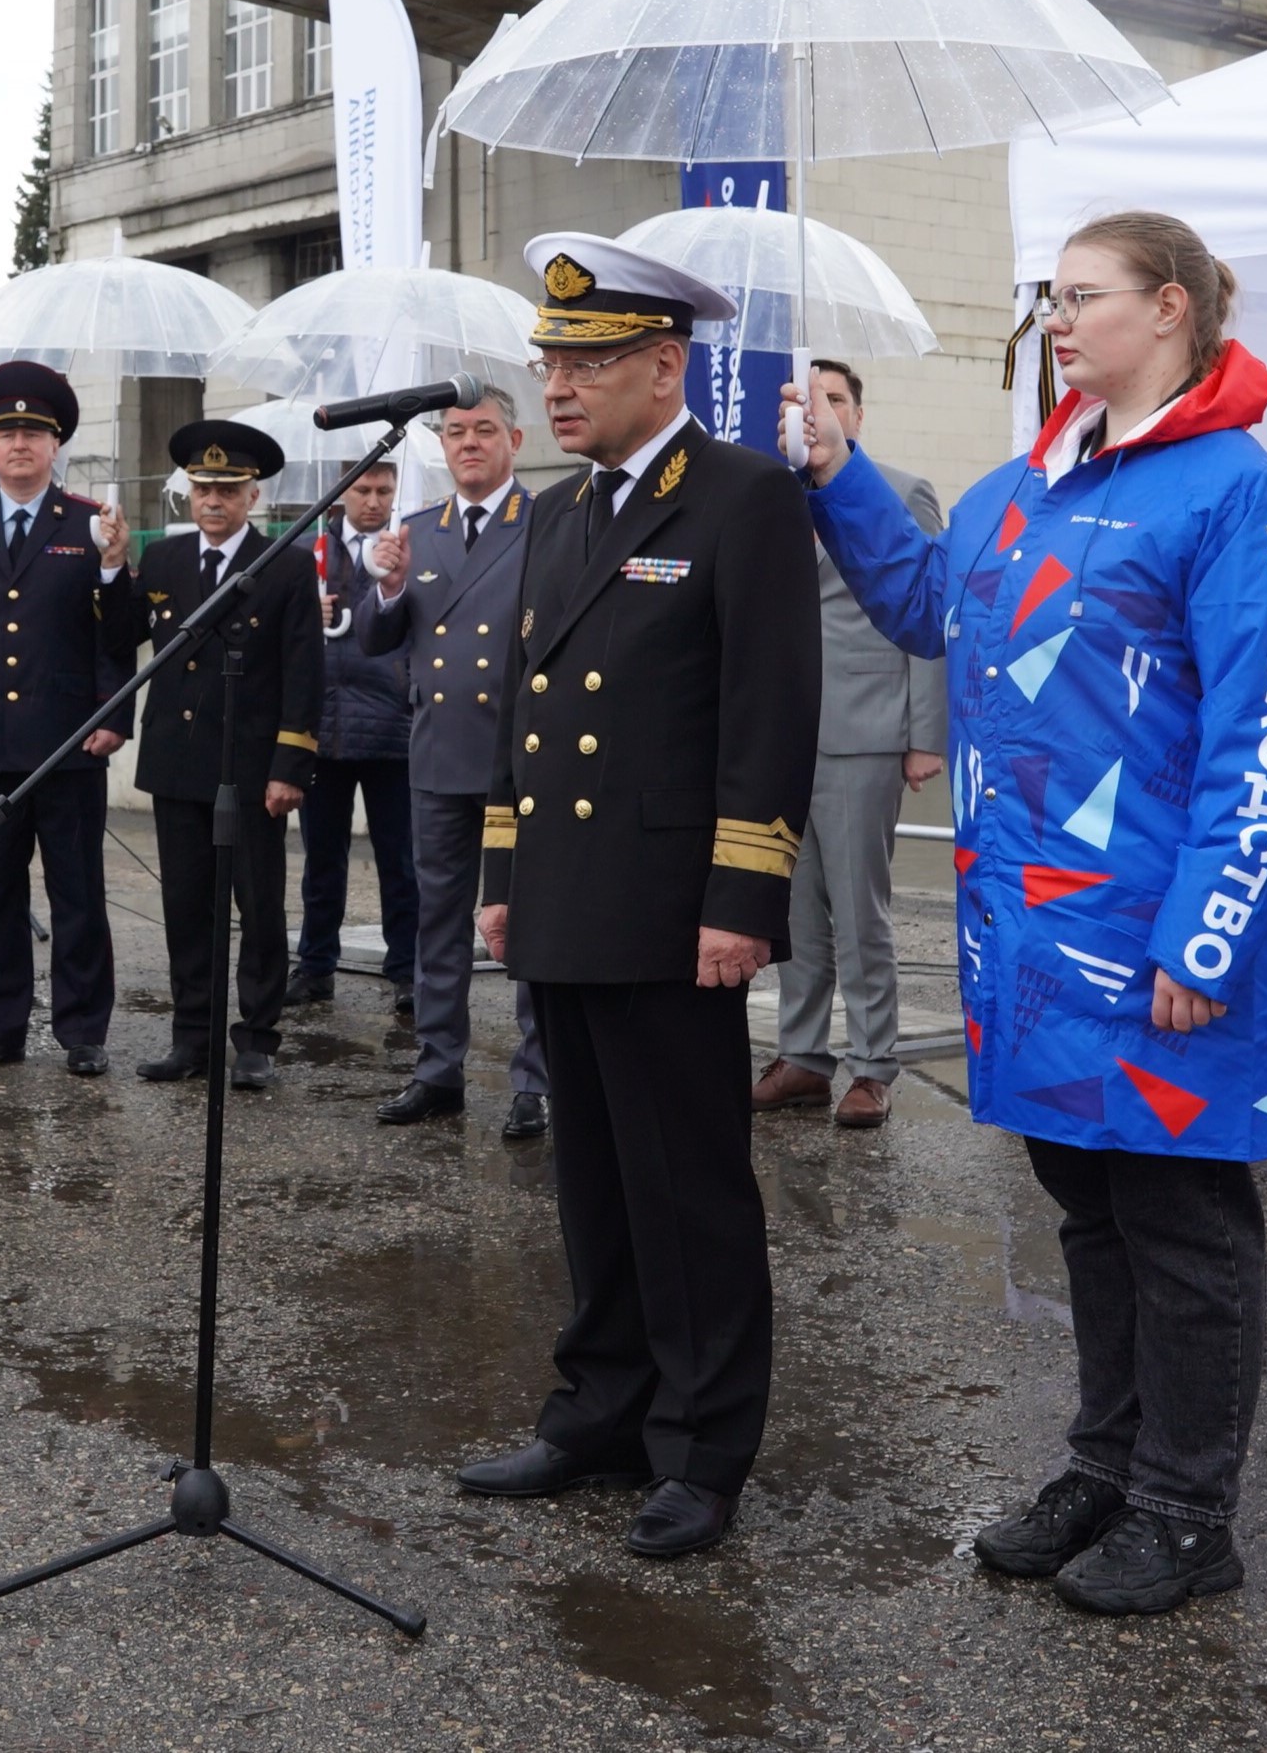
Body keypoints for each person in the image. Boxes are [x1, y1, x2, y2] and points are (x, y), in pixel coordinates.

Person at [802, 209, 1267, 1616]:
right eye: (1050, 296)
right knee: (1084, 1205)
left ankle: (1186, 1507)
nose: (1056, 318)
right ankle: (1106, 1461)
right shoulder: (1019, 485)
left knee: (1182, 1221)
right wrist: (841, 474)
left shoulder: (1236, 495)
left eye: (1081, 295)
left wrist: (1204, 937)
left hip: (1158, 941)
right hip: (1028, 937)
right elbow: (924, 606)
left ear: (1170, 308)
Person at [457, 234, 819, 1562]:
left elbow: (767, 714)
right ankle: (599, 1409)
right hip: (564, 892)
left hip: (675, 902)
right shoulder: (559, 512)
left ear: (666, 365)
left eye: (591, 362)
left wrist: (742, 896)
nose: (559, 387)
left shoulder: (740, 496)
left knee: (689, 1189)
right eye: (551, 362)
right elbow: (526, 704)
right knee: (594, 1179)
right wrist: (505, 873)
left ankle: (702, 1445)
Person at [0, 361, 135, 1077]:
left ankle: (81, 1031)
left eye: (32, 433)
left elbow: (116, 633)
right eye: (5, 432)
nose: (17, 444)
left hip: (69, 736)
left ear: (54, 445)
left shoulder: (88, 525)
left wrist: (115, 713)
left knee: (76, 891)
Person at [749, 361, 947, 1130]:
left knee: (859, 913)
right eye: (805, 401)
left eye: (833, 400)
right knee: (792, 910)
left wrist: (922, 735)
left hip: (864, 729)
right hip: (783, 733)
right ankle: (802, 1055)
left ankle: (871, 1066)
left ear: (857, 415)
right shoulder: (768, 496)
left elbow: (931, 620)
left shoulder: (900, 492)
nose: (819, 412)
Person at [363, 387, 554, 1140]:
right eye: (453, 433)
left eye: (481, 431)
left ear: (512, 438)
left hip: (520, 759)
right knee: (435, 922)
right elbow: (378, 643)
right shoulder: (415, 532)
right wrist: (385, 587)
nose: (466, 444)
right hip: (439, 753)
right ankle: (436, 1069)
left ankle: (533, 1082)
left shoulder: (543, 522)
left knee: (526, 924)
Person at [118, 421, 320, 1089]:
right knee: (185, 906)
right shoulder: (166, 563)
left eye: (227, 489)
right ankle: (191, 1037)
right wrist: (109, 567)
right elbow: (122, 634)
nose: (213, 500)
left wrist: (289, 767)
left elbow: (302, 672)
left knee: (258, 908)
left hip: (250, 768)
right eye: (203, 487)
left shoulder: (284, 564)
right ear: (187, 492)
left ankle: (256, 1041)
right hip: (179, 760)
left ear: (251, 496)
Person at [288, 457, 415, 1016]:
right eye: (363, 488)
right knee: (321, 859)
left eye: (384, 489)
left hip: (392, 726)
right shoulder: (307, 551)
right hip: (323, 727)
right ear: (341, 493)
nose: (373, 500)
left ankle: (408, 968)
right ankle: (315, 965)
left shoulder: (407, 549)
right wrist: (302, 614)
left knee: (401, 860)